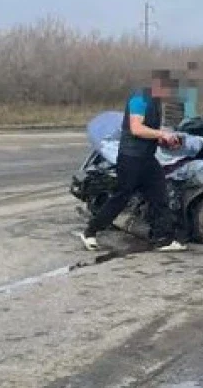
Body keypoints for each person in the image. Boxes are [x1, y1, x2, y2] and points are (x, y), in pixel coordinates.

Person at [80, 69, 189, 252]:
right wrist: (162, 133)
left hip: (147, 158)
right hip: (131, 158)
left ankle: (163, 239)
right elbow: (136, 128)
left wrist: (165, 139)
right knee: (121, 197)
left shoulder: (155, 101)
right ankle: (90, 232)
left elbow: (149, 129)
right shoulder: (140, 98)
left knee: (159, 195)